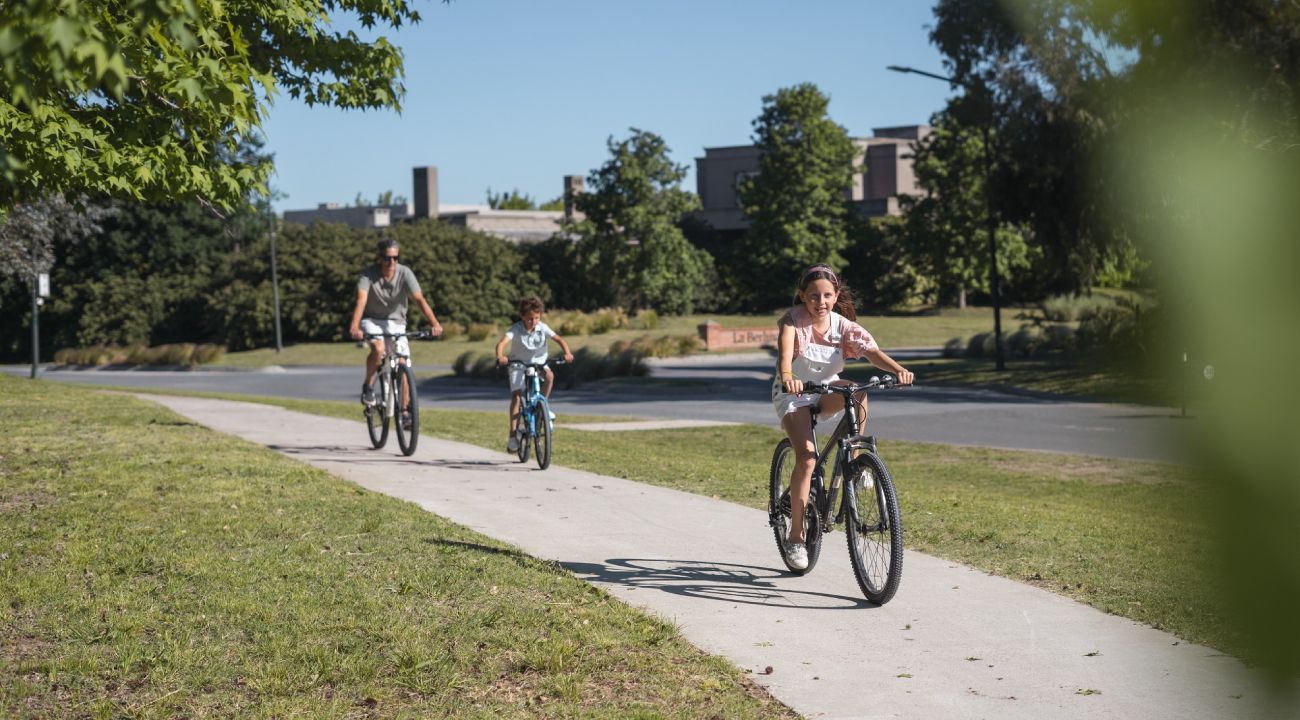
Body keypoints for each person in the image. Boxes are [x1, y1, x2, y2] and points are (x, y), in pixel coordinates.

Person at [772, 263, 914, 571]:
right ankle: (796, 537)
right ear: (802, 296)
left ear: (836, 296)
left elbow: (872, 352)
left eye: (826, 295)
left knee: (860, 391)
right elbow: (785, 359)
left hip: (825, 390)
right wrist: (788, 377)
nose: (819, 302)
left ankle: (857, 460)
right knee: (807, 458)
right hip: (793, 393)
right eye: (813, 296)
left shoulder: (842, 326)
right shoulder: (792, 322)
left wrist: (898, 370)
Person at [348, 239, 443, 425]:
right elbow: (361, 301)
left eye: (395, 258)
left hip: (397, 322)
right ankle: (368, 385)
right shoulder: (368, 275)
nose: (391, 262)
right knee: (378, 347)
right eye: (387, 258)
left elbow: (419, 300)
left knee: (403, 361)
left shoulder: (405, 273)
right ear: (379, 257)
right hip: (373, 320)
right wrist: (355, 326)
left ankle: (405, 410)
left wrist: (435, 324)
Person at [495, 296, 573, 452]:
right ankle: (512, 434)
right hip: (518, 365)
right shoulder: (516, 329)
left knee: (550, 377)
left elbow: (558, 339)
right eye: (530, 318)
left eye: (537, 318)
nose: (533, 321)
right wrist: (500, 356)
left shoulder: (542, 327)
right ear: (522, 316)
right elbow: (502, 343)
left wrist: (567, 353)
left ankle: (542, 406)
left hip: (539, 363)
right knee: (517, 396)